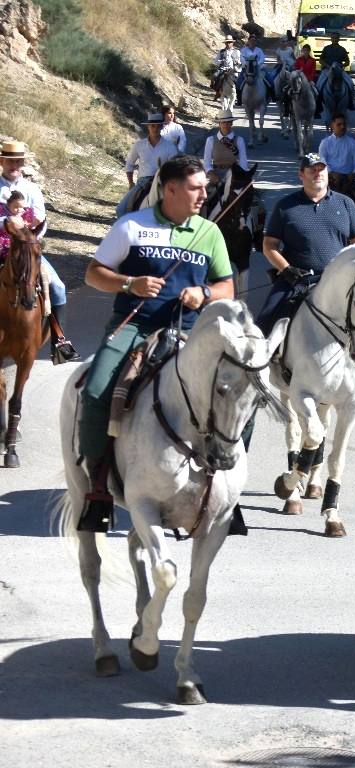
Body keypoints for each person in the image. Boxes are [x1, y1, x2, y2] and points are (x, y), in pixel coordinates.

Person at [75, 154, 236, 533]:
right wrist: (130, 284)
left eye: (205, 189)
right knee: (97, 389)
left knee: (240, 393)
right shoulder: (131, 226)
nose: (203, 195)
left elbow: (227, 286)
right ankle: (98, 484)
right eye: (196, 188)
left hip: (191, 332)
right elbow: (94, 274)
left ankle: (228, 487)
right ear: (170, 189)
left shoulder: (209, 233)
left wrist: (204, 292)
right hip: (136, 325)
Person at [258, 152, 355, 401]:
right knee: (265, 318)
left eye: (321, 169)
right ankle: (257, 377)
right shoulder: (285, 206)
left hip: (341, 283)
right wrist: (286, 269)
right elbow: (269, 245)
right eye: (311, 170)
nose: (317, 173)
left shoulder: (345, 204)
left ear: (328, 173)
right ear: (301, 175)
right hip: (297, 279)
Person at [0, 140, 75, 362]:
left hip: (26, 250)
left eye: (18, 161)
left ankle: (58, 340)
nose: (15, 164)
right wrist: (6, 222)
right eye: (10, 160)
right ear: (2, 161)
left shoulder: (32, 189)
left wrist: (32, 235)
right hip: (0, 246)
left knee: (59, 288)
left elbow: (42, 220)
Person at [116, 112, 180, 217]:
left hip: (162, 182)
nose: (155, 128)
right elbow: (129, 164)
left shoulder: (170, 147)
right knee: (121, 210)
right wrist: (131, 183)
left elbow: (175, 169)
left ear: (162, 127)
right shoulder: (139, 145)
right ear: (148, 127)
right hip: (142, 182)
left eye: (158, 126)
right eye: (152, 126)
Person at [318, 111, 355, 229]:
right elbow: (322, 161)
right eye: (339, 124)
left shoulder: (352, 143)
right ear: (332, 126)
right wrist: (331, 172)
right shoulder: (325, 143)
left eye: (344, 124)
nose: (342, 127)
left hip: (348, 179)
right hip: (330, 179)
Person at [202, 110, 249, 184]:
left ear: (231, 123)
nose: (226, 125)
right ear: (219, 124)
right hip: (216, 175)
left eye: (228, 122)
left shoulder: (239, 140)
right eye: (223, 122)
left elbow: (243, 162)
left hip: (234, 175)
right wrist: (211, 174)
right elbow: (207, 163)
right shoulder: (211, 140)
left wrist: (239, 175)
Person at [315, 32, 355, 114]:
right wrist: (327, 66)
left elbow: (347, 61)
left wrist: (342, 66)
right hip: (327, 70)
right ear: (331, 39)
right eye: (333, 38)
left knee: (350, 83)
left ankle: (351, 102)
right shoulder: (326, 48)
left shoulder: (342, 49)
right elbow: (321, 60)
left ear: (339, 39)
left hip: (339, 70)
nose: (334, 39)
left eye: (336, 38)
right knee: (318, 85)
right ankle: (318, 104)